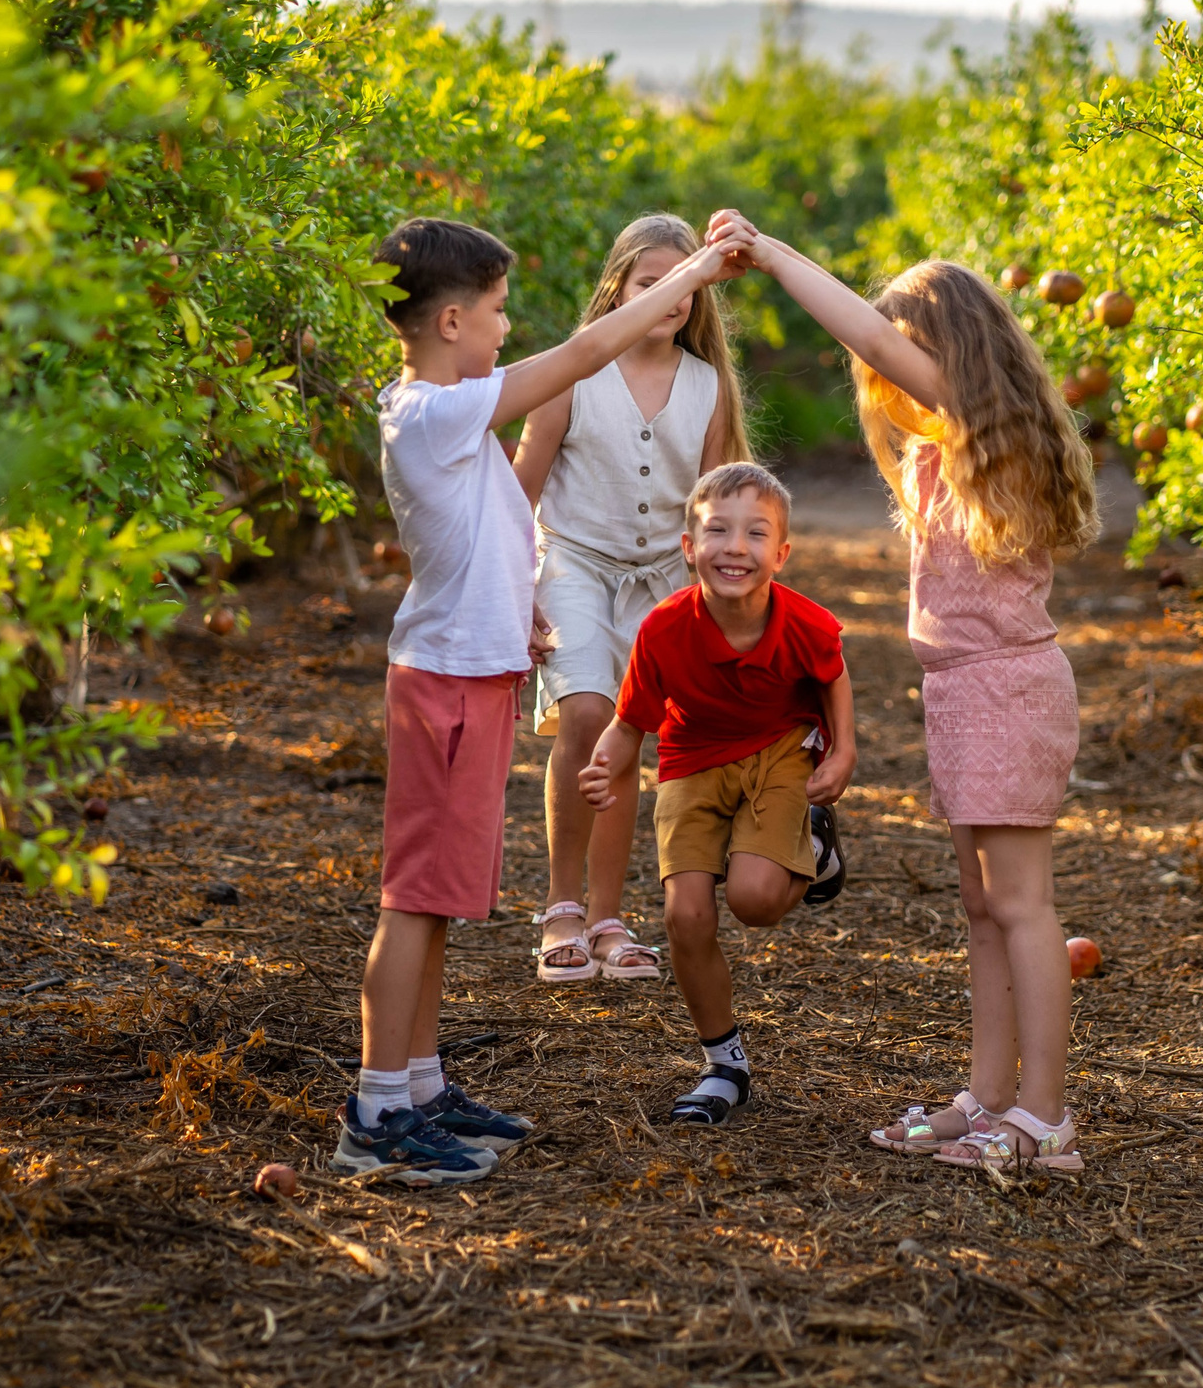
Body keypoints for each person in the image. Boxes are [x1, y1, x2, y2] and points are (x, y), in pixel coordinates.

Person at [337, 215, 751, 1186]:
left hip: (474, 670)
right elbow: (587, 349)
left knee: (437, 906)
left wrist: (514, 602)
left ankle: (423, 1085)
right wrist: (696, 269)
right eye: (493, 311)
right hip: (441, 682)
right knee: (411, 904)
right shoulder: (435, 411)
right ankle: (375, 1109)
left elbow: (491, 521)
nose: (503, 325)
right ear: (449, 321)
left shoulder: (446, 409)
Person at [712, 209, 1099, 1173]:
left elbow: (871, 334)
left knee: (1022, 905)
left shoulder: (983, 429)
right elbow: (883, 349)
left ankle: (1045, 1118)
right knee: (982, 908)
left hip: (1007, 690)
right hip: (965, 693)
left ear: (949, 351)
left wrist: (771, 253)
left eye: (904, 358)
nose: (883, 382)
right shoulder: (948, 448)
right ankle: (989, 1093)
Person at [511, 215, 756, 985]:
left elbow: (714, 507)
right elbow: (522, 489)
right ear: (619, 285)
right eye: (650, 281)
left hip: (661, 581)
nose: (666, 296)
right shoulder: (574, 374)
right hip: (576, 565)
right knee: (584, 713)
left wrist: (724, 607)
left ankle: (610, 917)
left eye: (680, 283)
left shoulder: (708, 386)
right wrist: (516, 592)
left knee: (629, 735)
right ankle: (561, 907)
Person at [578, 462, 853, 1125]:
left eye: (756, 533)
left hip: (780, 748)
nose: (736, 546)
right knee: (687, 915)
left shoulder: (801, 622)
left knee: (755, 900)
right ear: (689, 546)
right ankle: (724, 1062)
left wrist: (843, 750)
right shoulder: (663, 630)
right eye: (718, 530)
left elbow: (833, 674)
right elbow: (630, 722)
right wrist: (602, 763)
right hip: (692, 759)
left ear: (781, 553)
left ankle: (815, 839)